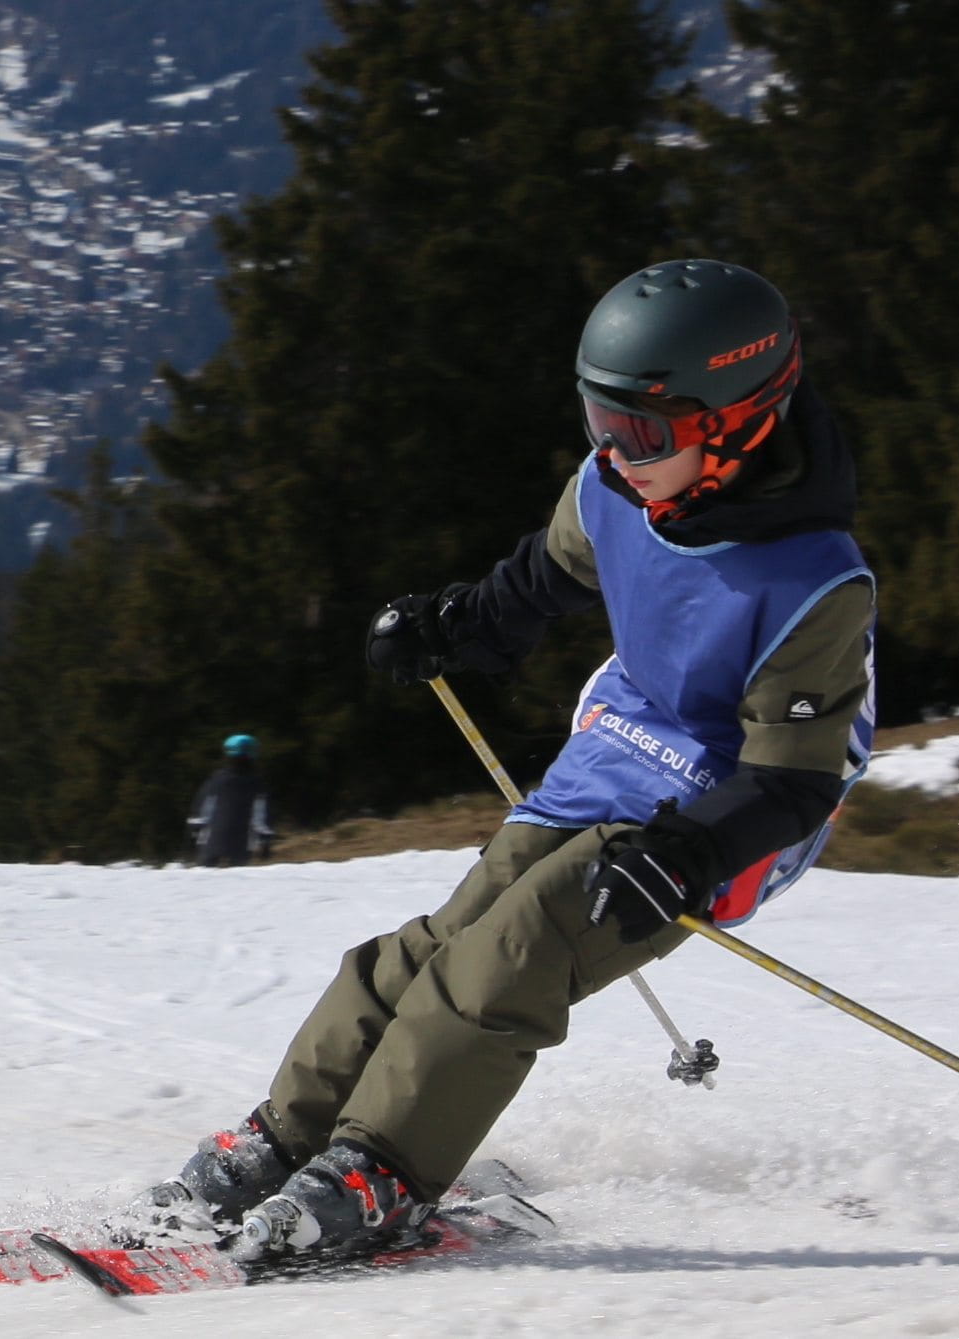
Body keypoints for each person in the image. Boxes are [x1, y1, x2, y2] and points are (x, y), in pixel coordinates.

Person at [143, 259, 877, 1265]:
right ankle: (288, 1137)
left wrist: (694, 853)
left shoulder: (812, 582)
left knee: (510, 956)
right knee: (437, 941)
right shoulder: (620, 488)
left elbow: (798, 777)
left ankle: (380, 1175)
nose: (615, 456)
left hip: (724, 809)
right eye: (598, 422)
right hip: (618, 749)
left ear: (740, 420)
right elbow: (552, 570)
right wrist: (459, 623)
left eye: (643, 434)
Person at [187, 735, 279, 867]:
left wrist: (194, 834)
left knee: (205, 881)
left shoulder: (215, 780)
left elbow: (201, 812)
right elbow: (261, 818)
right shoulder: (258, 785)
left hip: (210, 843)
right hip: (241, 845)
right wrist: (265, 843)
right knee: (236, 883)